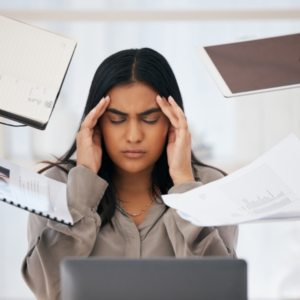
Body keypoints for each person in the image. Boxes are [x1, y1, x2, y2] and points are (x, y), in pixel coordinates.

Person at [21, 48, 238, 300]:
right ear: (96, 121)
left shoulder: (209, 186)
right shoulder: (56, 185)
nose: (134, 136)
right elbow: (46, 290)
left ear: (172, 120)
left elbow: (223, 292)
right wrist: (81, 190)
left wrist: (183, 183)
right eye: (116, 119)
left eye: (149, 119)